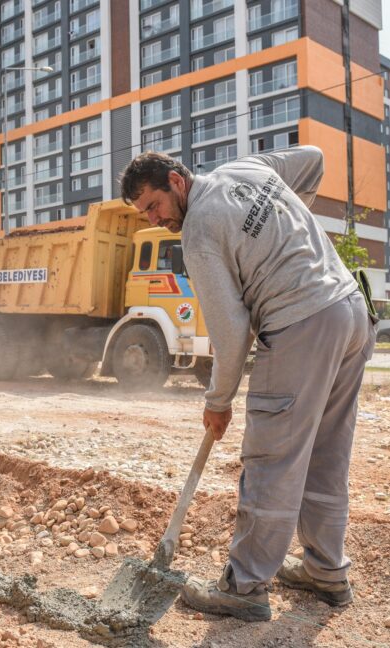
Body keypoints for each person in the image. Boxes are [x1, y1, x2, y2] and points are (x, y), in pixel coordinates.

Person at [120, 147, 375, 621]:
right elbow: (316, 159)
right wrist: (286, 225)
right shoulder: (248, 169)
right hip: (351, 311)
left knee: (272, 458)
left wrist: (218, 400)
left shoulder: (198, 231)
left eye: (154, 206)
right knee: (326, 450)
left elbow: (230, 331)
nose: (155, 220)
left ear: (177, 181)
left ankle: (245, 586)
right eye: (144, 215)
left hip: (301, 321)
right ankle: (326, 570)